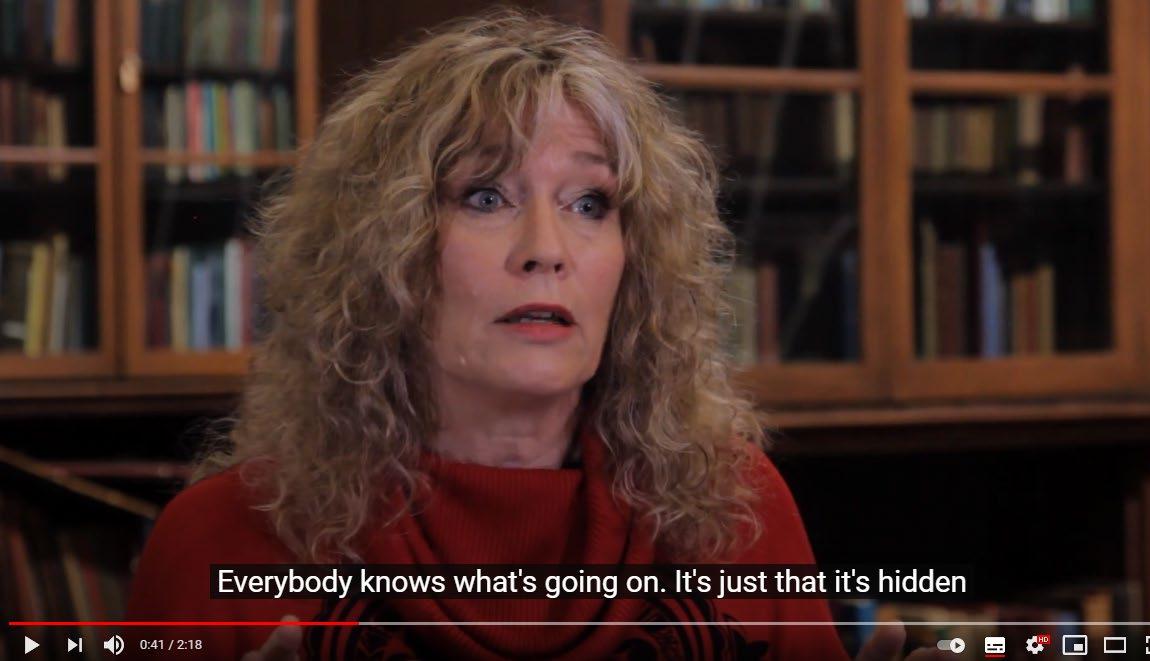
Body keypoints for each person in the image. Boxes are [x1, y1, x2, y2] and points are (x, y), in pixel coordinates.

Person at [126, 9, 946, 660]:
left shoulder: (736, 509)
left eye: (590, 203)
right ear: (382, 249)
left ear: (636, 258)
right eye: (485, 196)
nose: (546, 250)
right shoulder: (220, 540)